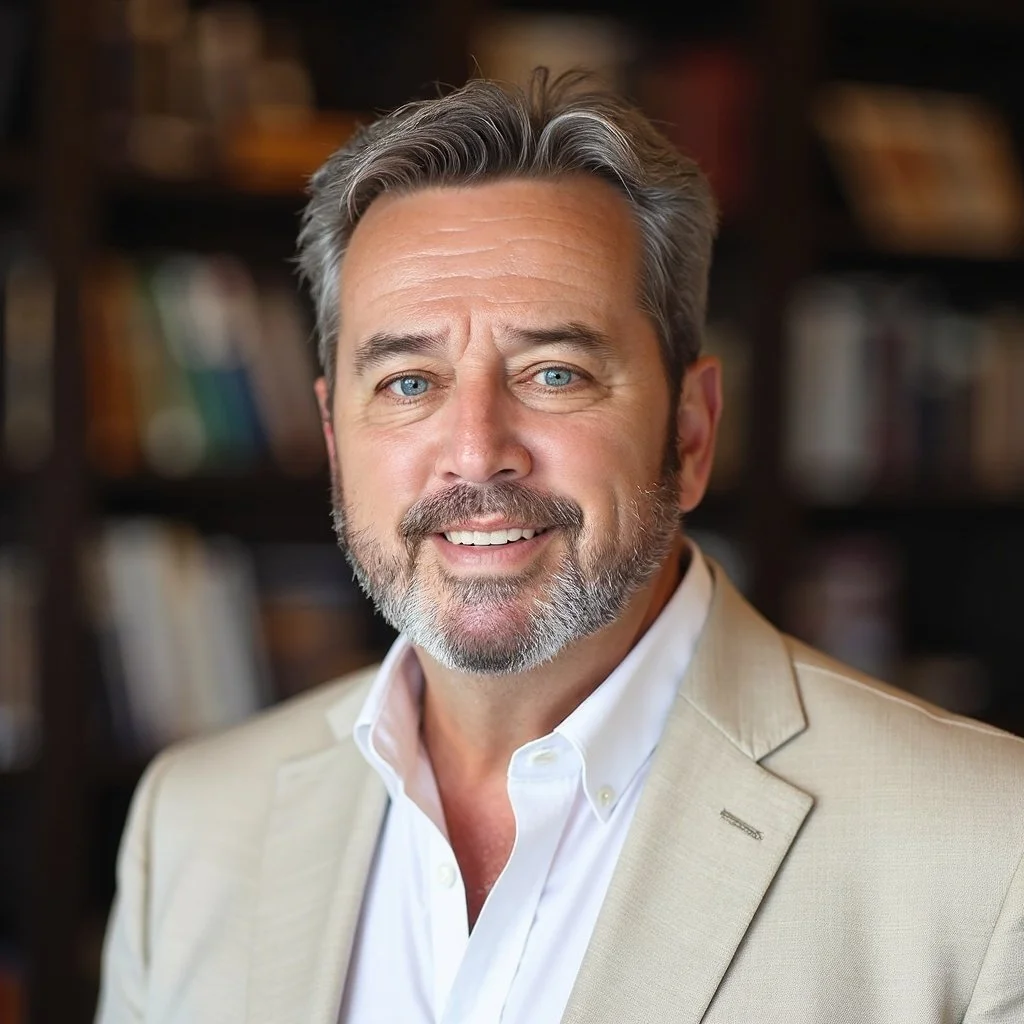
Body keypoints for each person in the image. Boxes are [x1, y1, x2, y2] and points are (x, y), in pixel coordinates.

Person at [95, 69, 1024, 1024]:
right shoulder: (193, 825)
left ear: (691, 433)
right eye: (409, 382)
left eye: (554, 373)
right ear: (336, 441)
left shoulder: (990, 852)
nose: (475, 452)